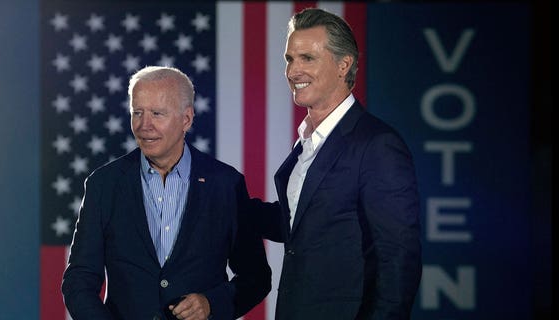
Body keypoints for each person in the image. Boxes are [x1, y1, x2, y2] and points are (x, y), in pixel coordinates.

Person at [62, 66, 271, 320]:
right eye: (137, 112)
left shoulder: (225, 184)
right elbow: (79, 279)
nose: (143, 125)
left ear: (187, 119)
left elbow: (256, 277)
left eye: (157, 114)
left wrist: (211, 303)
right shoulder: (103, 184)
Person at [252, 8, 422, 319]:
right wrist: (225, 201)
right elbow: (300, 224)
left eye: (307, 58)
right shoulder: (307, 141)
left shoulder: (376, 145)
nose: (293, 71)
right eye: (290, 59)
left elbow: (398, 260)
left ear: (344, 65)